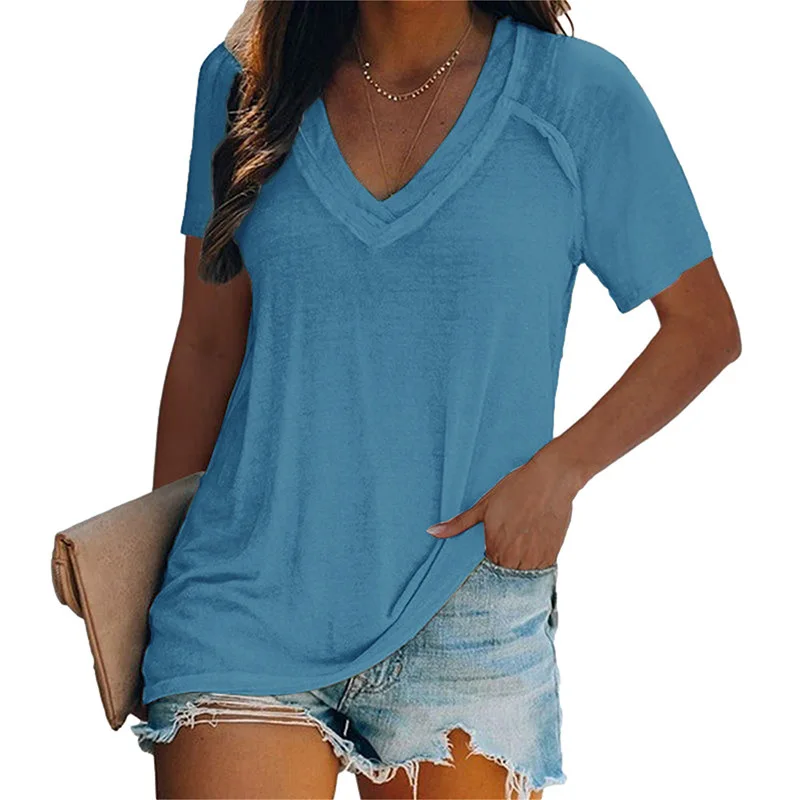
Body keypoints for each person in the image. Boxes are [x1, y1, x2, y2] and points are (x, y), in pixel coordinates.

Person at [130, 1, 741, 798]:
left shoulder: (577, 95)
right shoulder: (246, 80)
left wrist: (557, 475)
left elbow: (703, 329)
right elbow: (209, 344)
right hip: (241, 597)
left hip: (466, 610)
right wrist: (144, 583)